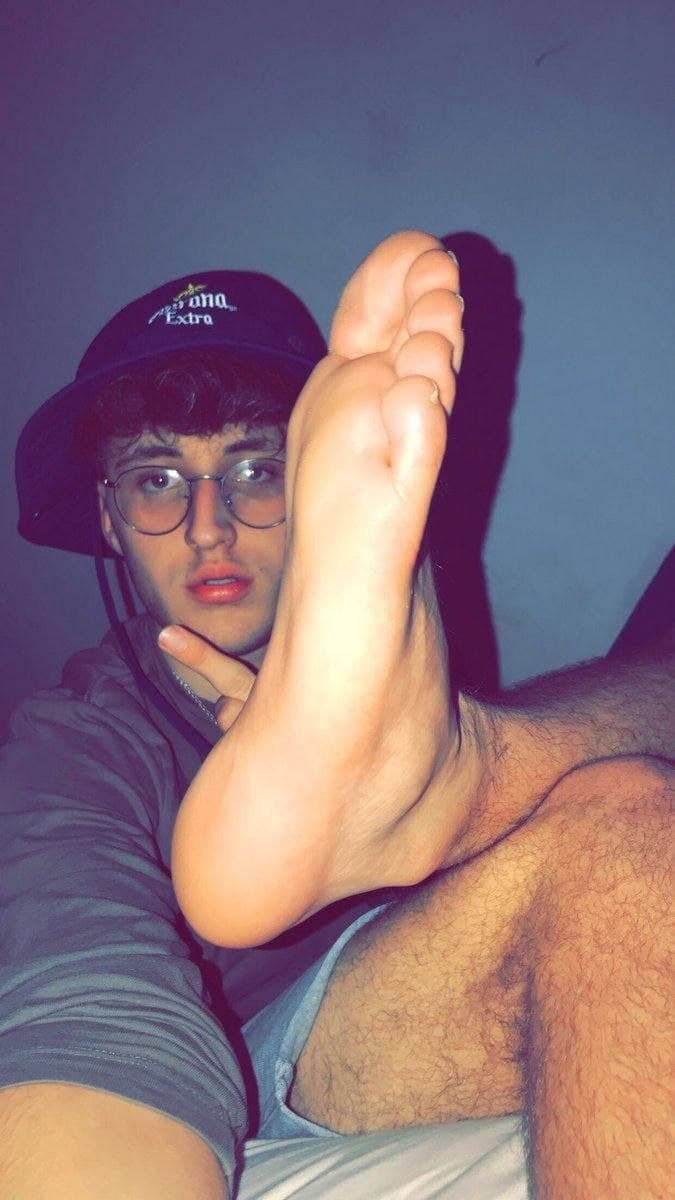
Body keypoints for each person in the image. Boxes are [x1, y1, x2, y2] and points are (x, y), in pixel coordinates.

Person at [1, 231, 672, 1200]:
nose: (208, 528)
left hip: (423, 946)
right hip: (258, 1053)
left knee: (629, 818)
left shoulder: (394, 666)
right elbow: (85, 1006)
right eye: (156, 480)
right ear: (106, 518)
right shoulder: (79, 738)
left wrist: (478, 760)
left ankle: (475, 765)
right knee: (617, 849)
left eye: (255, 471)